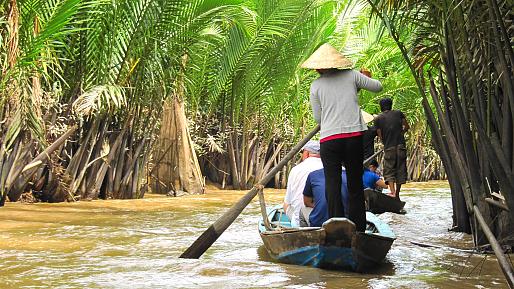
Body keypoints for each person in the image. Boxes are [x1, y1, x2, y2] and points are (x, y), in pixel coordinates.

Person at [302, 43, 383, 232]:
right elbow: (378, 87)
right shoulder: (353, 75)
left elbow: (318, 118)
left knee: (333, 183)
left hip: (329, 140)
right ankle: (359, 229)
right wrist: (364, 78)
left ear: (320, 66)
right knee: (355, 183)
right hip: (353, 138)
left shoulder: (316, 85)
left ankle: (335, 226)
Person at [374, 97, 410, 199]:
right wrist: (401, 134)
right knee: (400, 170)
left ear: (381, 107)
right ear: (391, 105)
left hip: (389, 147)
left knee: (389, 170)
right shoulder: (398, 113)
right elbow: (406, 127)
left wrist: (385, 142)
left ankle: (392, 193)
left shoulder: (378, 118)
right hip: (401, 146)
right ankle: (397, 194)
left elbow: (380, 134)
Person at [283, 140, 323, 227]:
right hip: (326, 217)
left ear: (306, 153)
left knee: (286, 204)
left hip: (307, 218)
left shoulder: (296, 170)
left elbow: (290, 201)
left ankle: (296, 224)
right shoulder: (335, 168)